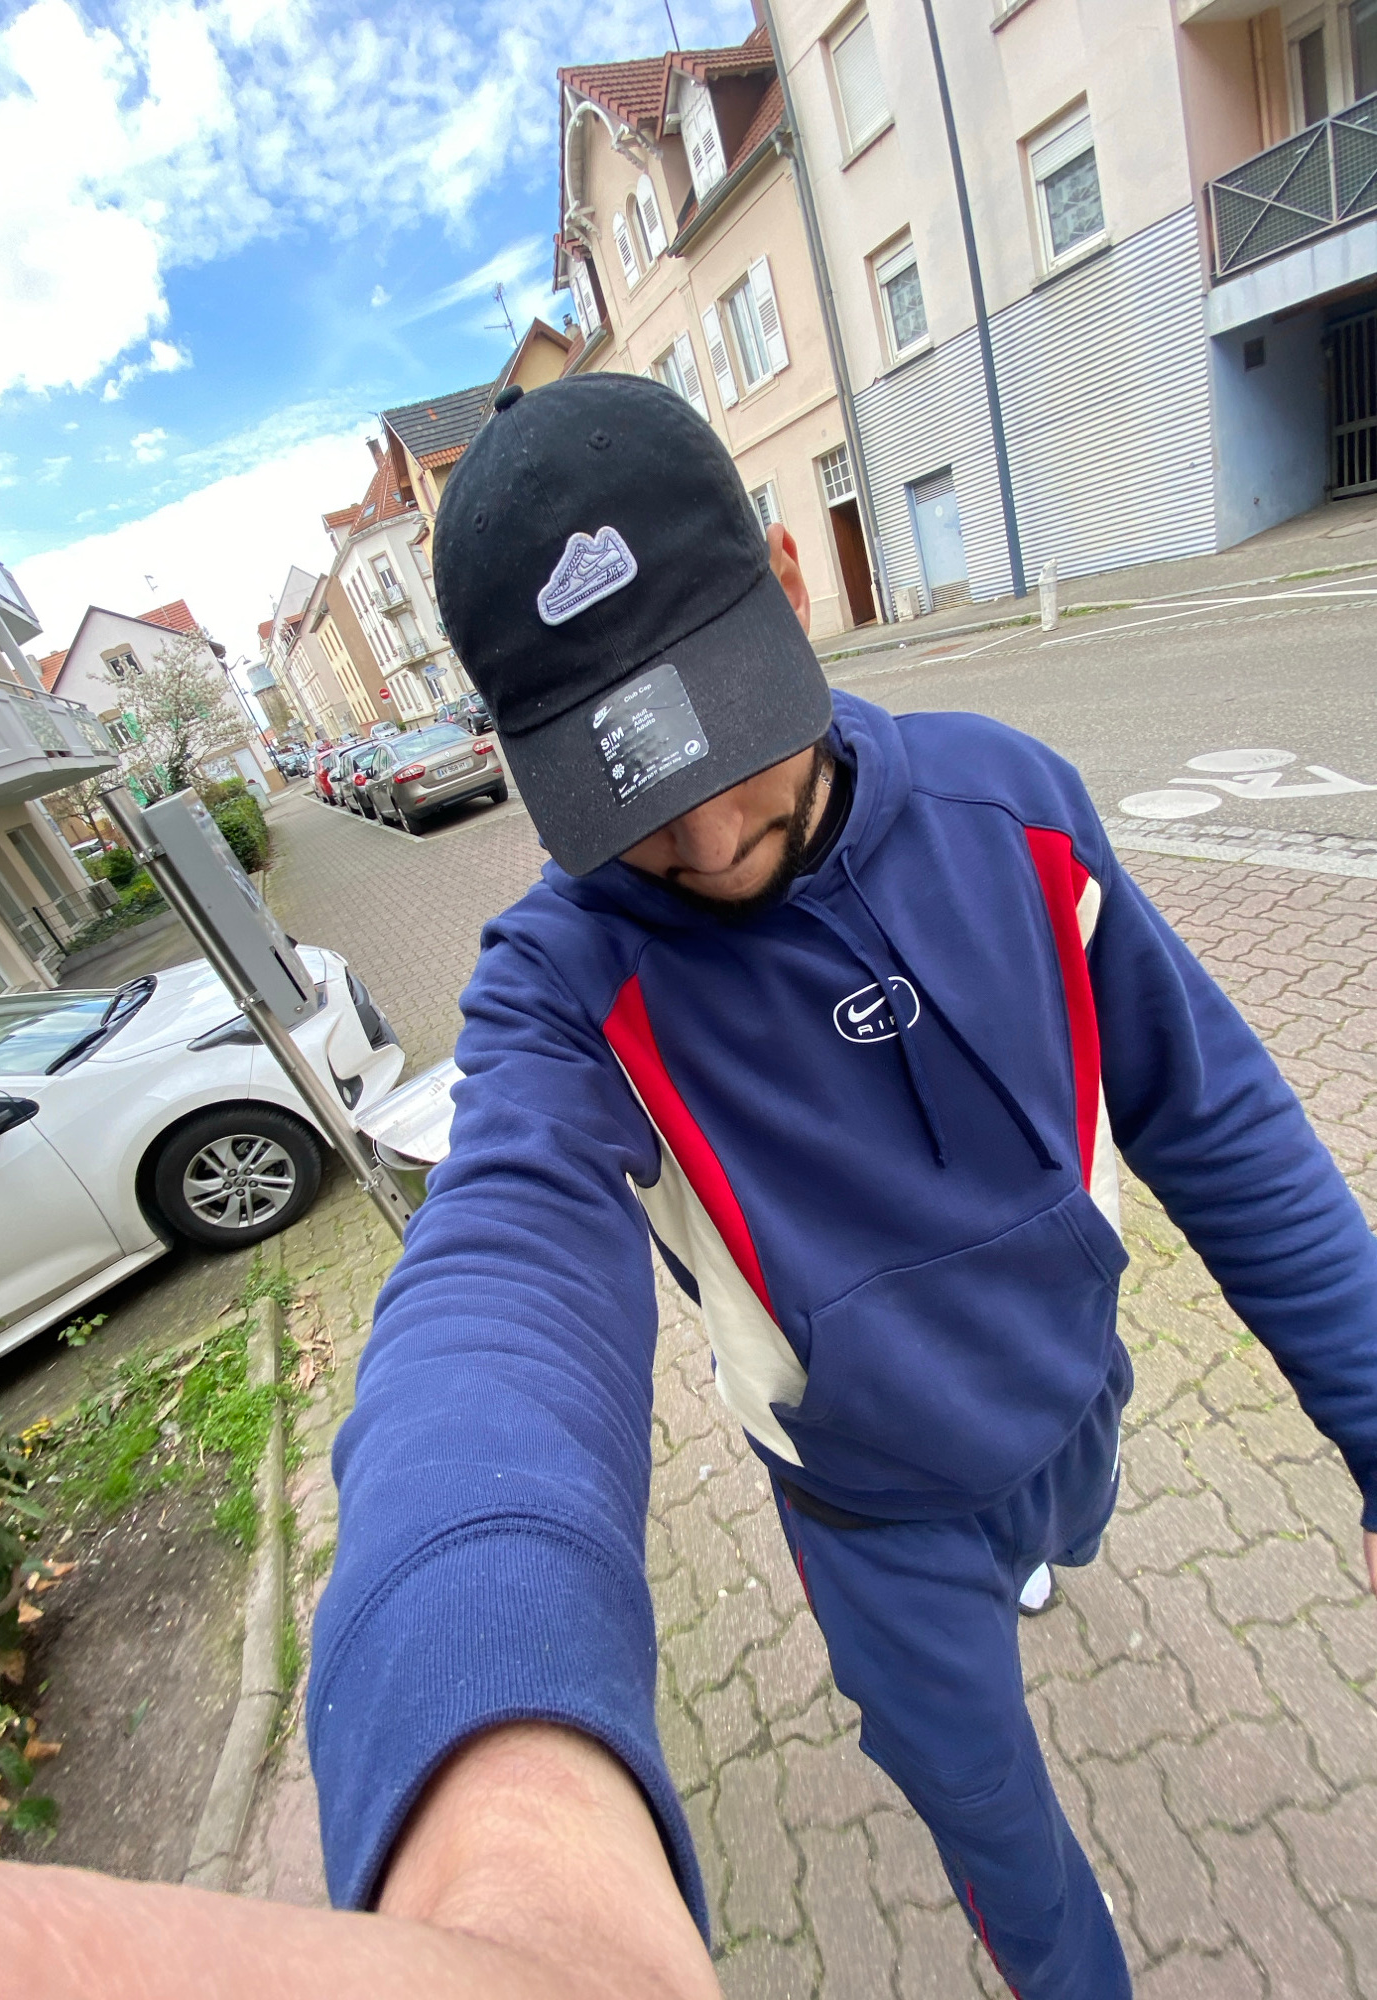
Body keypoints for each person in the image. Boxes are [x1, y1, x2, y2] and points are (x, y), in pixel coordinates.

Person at [304, 373, 1377, 2000]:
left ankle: (1039, 1546)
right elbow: (498, 1269)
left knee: (1063, 1533)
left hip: (1072, 1396)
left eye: (725, 734)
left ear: (791, 586)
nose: (706, 835)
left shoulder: (1013, 804)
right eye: (625, 788)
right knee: (994, 1829)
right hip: (867, 1508)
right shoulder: (561, 980)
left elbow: (1214, 1115)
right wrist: (469, 1738)